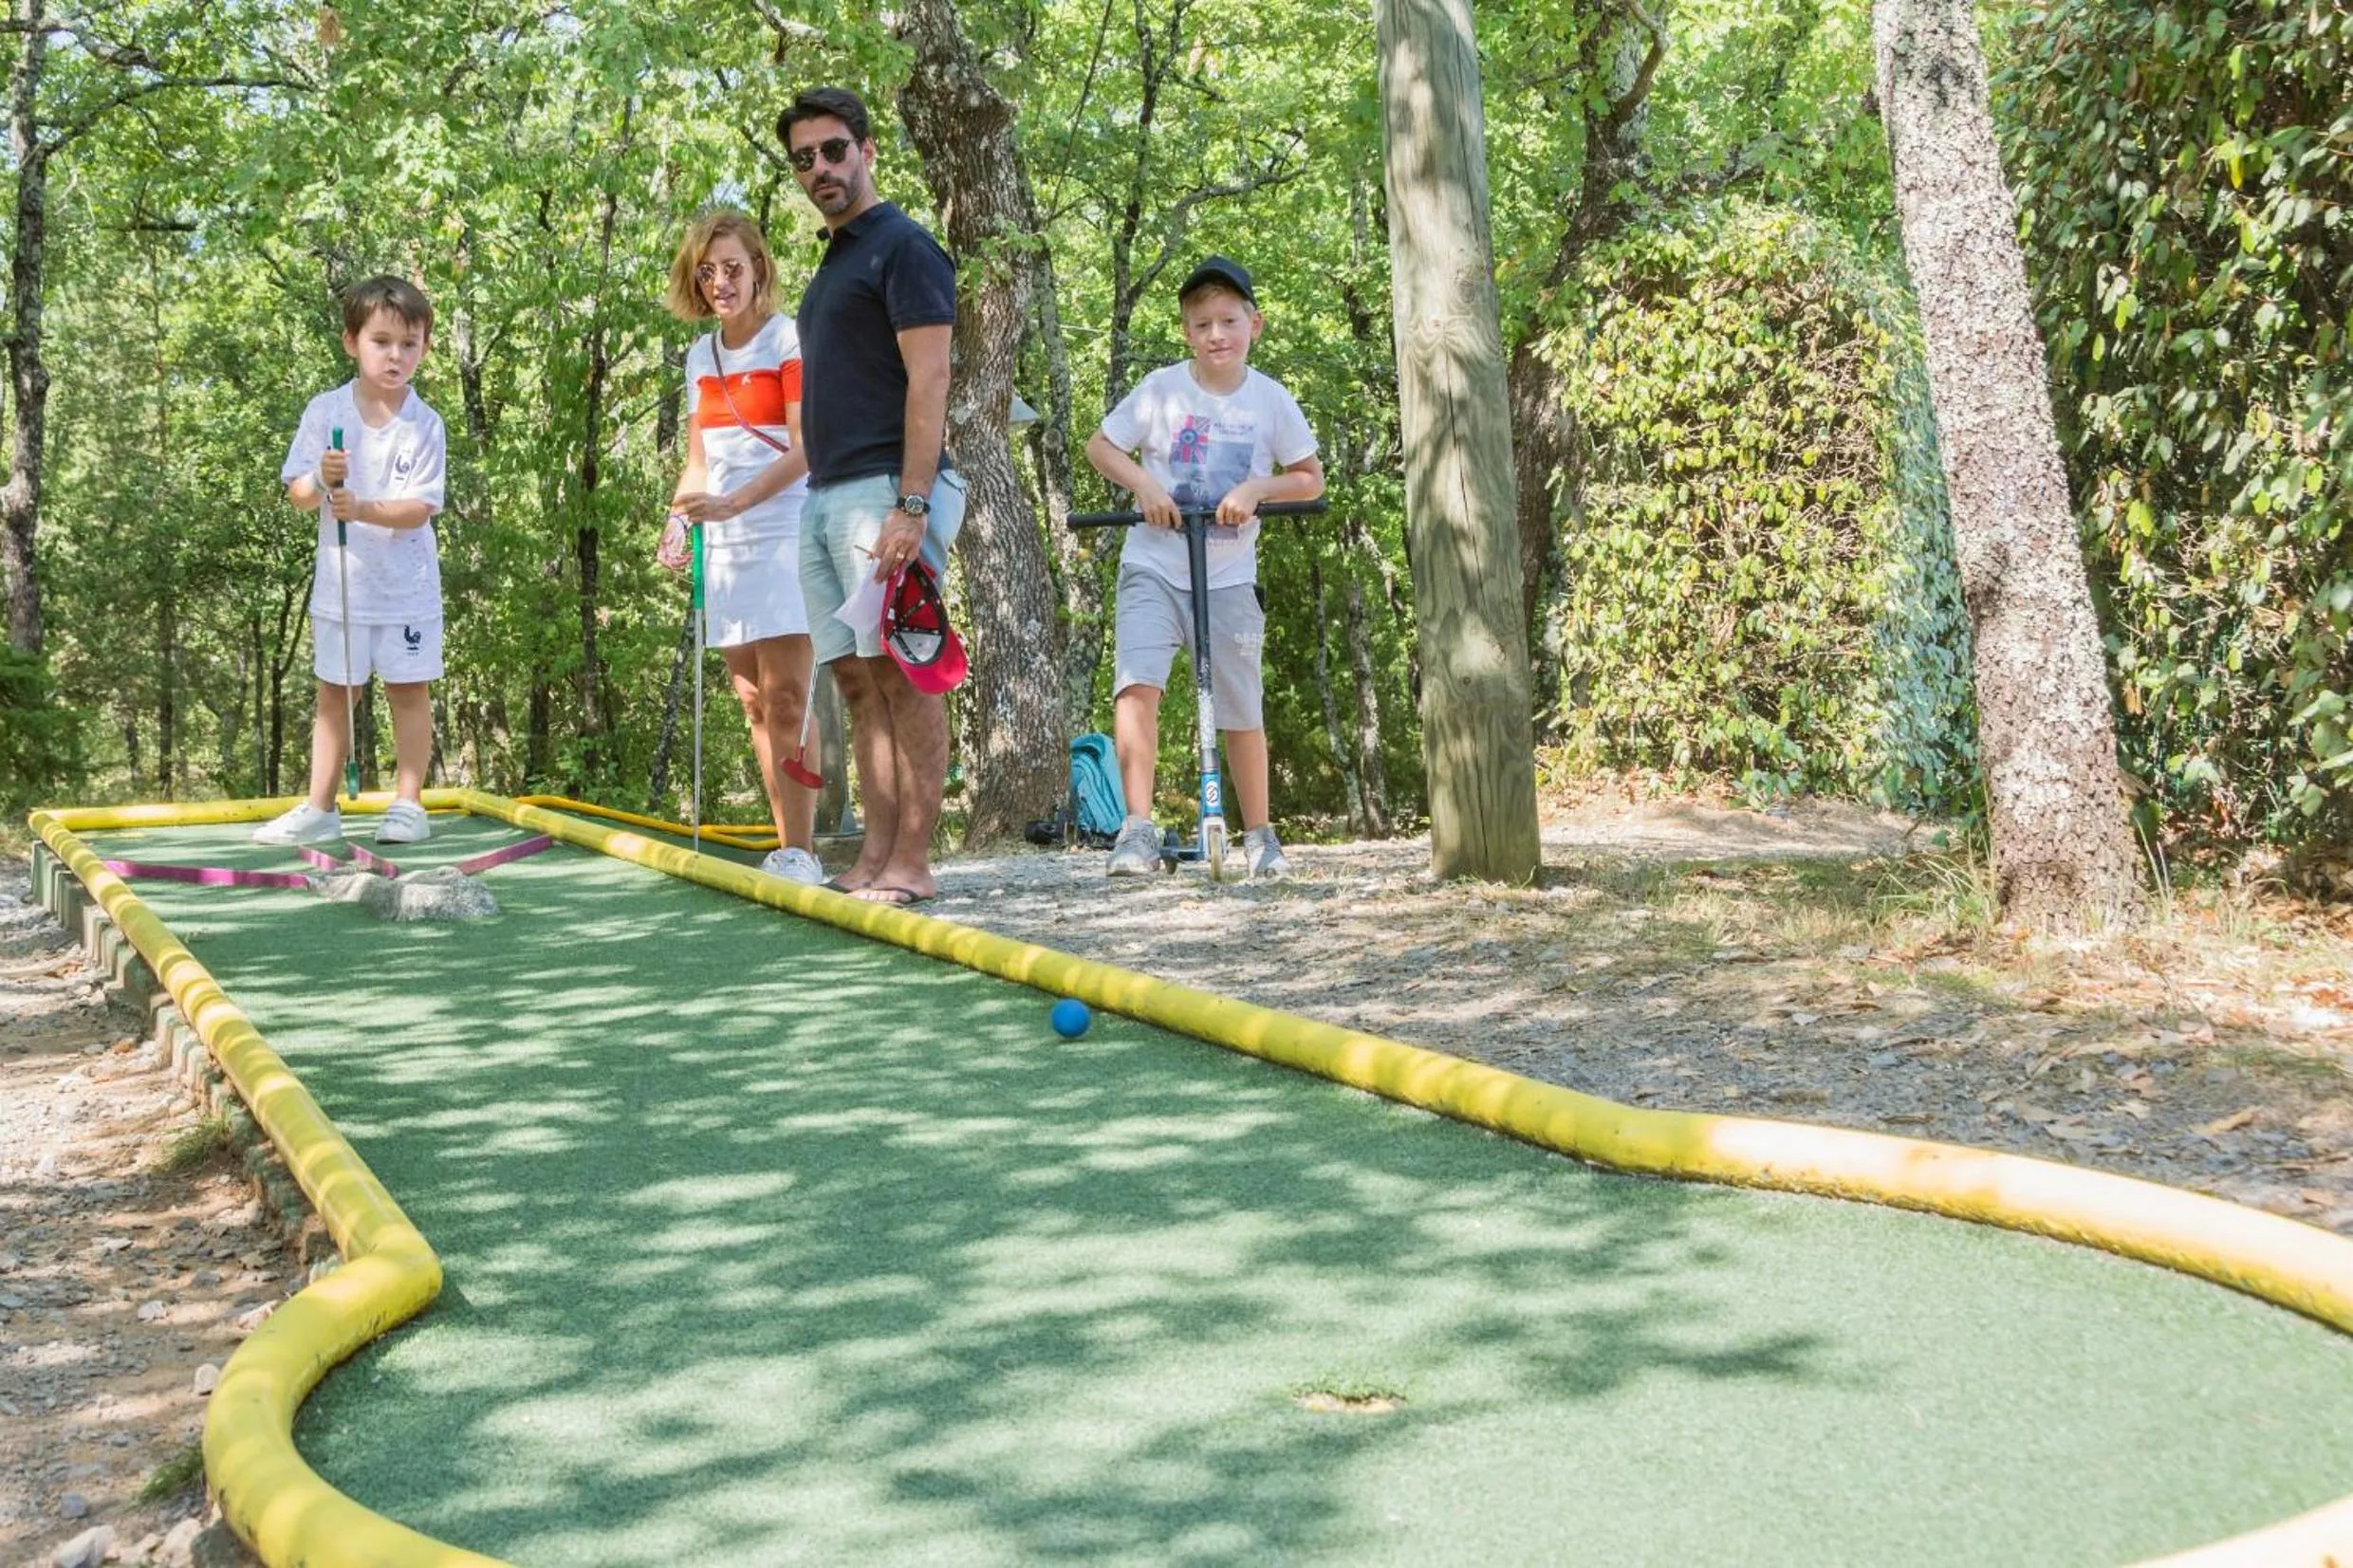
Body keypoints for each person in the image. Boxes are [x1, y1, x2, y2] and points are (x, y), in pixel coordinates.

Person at [779, 85, 967, 907]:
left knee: (905, 675)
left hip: (888, 492)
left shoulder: (904, 247)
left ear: (866, 150)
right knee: (857, 682)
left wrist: (913, 503)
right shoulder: (833, 261)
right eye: (804, 159)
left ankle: (914, 863)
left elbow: (931, 376)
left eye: (832, 150)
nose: (820, 167)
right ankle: (877, 856)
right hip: (825, 497)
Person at [1083, 254, 1325, 880]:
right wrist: (1144, 487)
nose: (1216, 335)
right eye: (1201, 324)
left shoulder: (1270, 401)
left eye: (1228, 321)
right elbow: (1100, 445)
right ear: (1187, 332)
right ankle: (1136, 830)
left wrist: (1256, 491)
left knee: (1242, 706)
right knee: (1138, 684)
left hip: (1229, 577)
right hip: (1155, 566)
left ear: (1254, 325)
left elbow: (1308, 478)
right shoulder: (1164, 389)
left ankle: (1261, 835)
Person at [254, 276, 449, 847]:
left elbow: (420, 508)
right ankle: (320, 806)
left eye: (409, 344)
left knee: (409, 691)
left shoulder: (425, 423)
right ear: (351, 342)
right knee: (335, 693)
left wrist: (361, 505)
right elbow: (298, 492)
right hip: (343, 587)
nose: (395, 356)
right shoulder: (327, 411)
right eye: (381, 342)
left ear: (424, 349)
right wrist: (322, 477)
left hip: (407, 589)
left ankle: (408, 805)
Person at [662, 209, 825, 884]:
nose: (721, 283)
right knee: (753, 697)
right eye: (708, 271)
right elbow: (700, 460)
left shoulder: (789, 339)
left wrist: (735, 502)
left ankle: (805, 850)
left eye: (733, 268)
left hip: (784, 523)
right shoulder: (703, 355)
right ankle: (784, 842)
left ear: (760, 268)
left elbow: (806, 446)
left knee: (792, 695)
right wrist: (679, 516)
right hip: (724, 535)